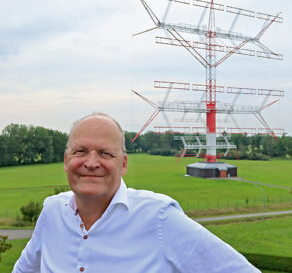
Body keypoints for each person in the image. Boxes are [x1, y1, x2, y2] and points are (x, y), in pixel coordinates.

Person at [13, 113, 260, 273]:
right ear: (66, 160)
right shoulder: (51, 212)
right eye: (80, 151)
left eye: (105, 153)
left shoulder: (159, 217)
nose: (91, 162)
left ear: (124, 164)